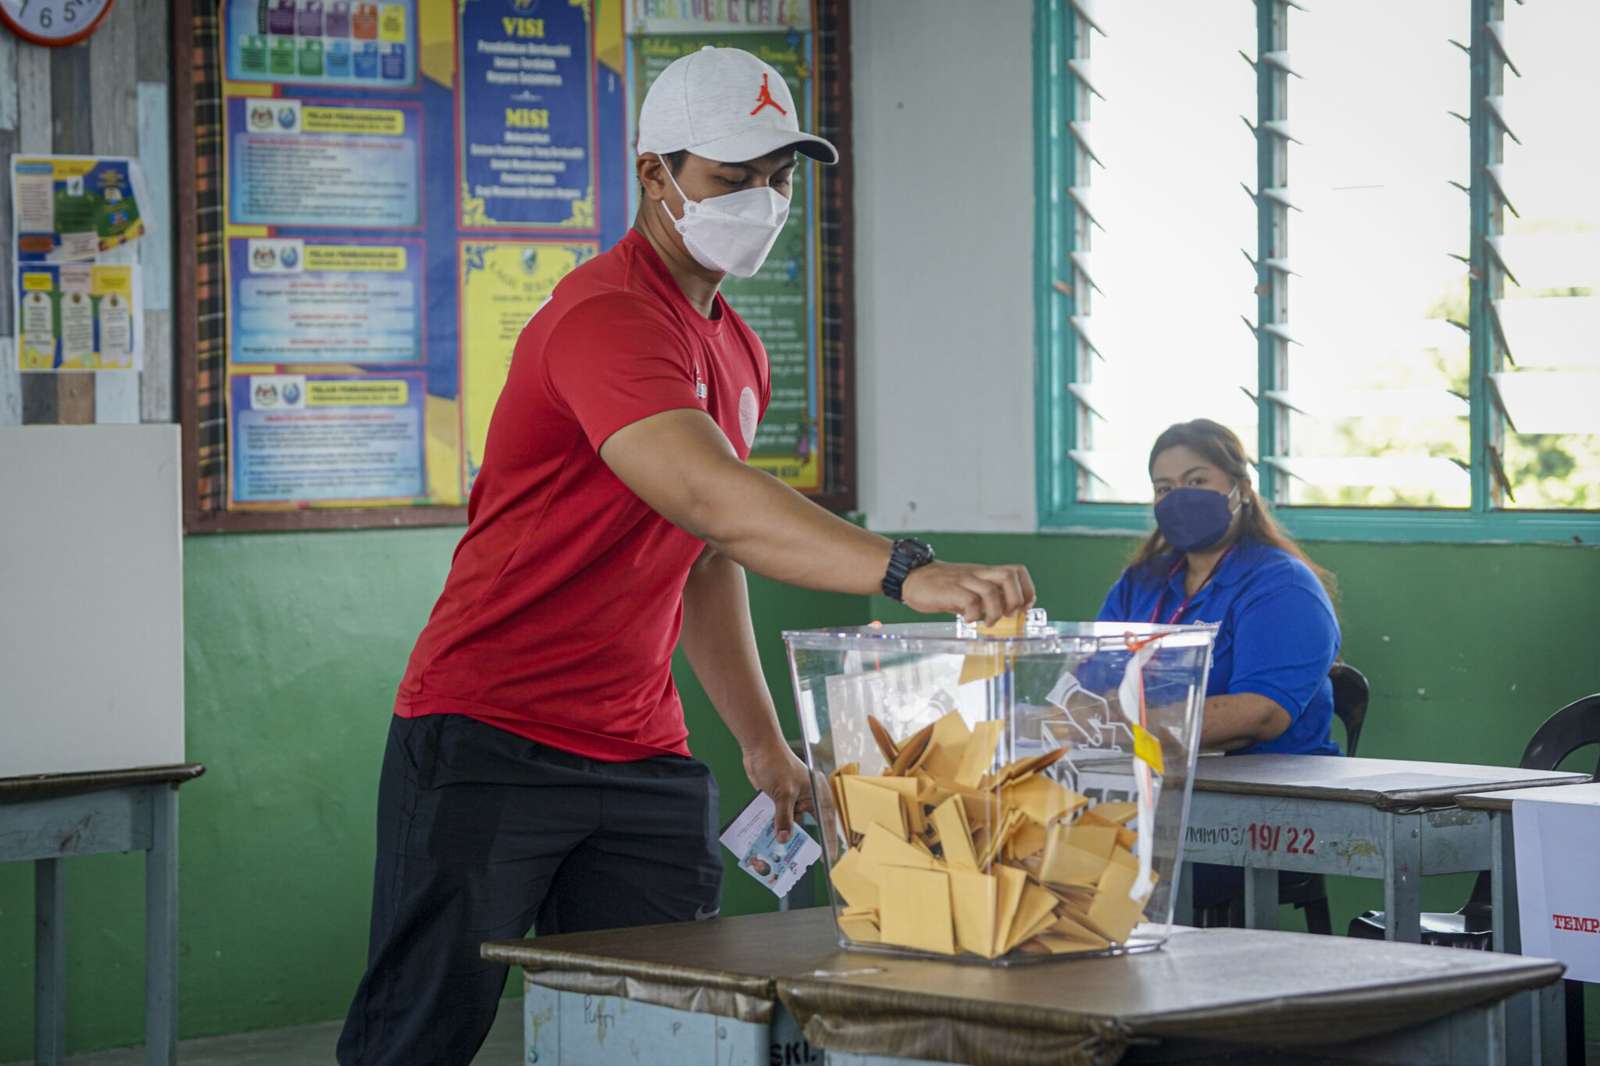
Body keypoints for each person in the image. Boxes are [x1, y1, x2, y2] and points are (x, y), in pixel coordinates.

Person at [337, 46, 1034, 1066]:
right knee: (420, 1033)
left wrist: (759, 740)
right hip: (491, 734)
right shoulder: (606, 318)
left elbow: (705, 552)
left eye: (777, 180)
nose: (759, 201)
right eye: (729, 177)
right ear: (655, 174)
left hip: (641, 752)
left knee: (669, 1032)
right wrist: (904, 569)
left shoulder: (734, 345)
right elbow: (714, 497)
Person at [1095, 418, 1340, 913]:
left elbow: (1259, 714)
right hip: (1148, 794)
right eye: (1164, 488)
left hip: (1260, 811)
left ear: (1241, 490)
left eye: (1197, 481)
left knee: (1093, 868)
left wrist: (1122, 726)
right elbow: (1088, 687)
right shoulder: (1140, 583)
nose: (1178, 496)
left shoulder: (1282, 586)